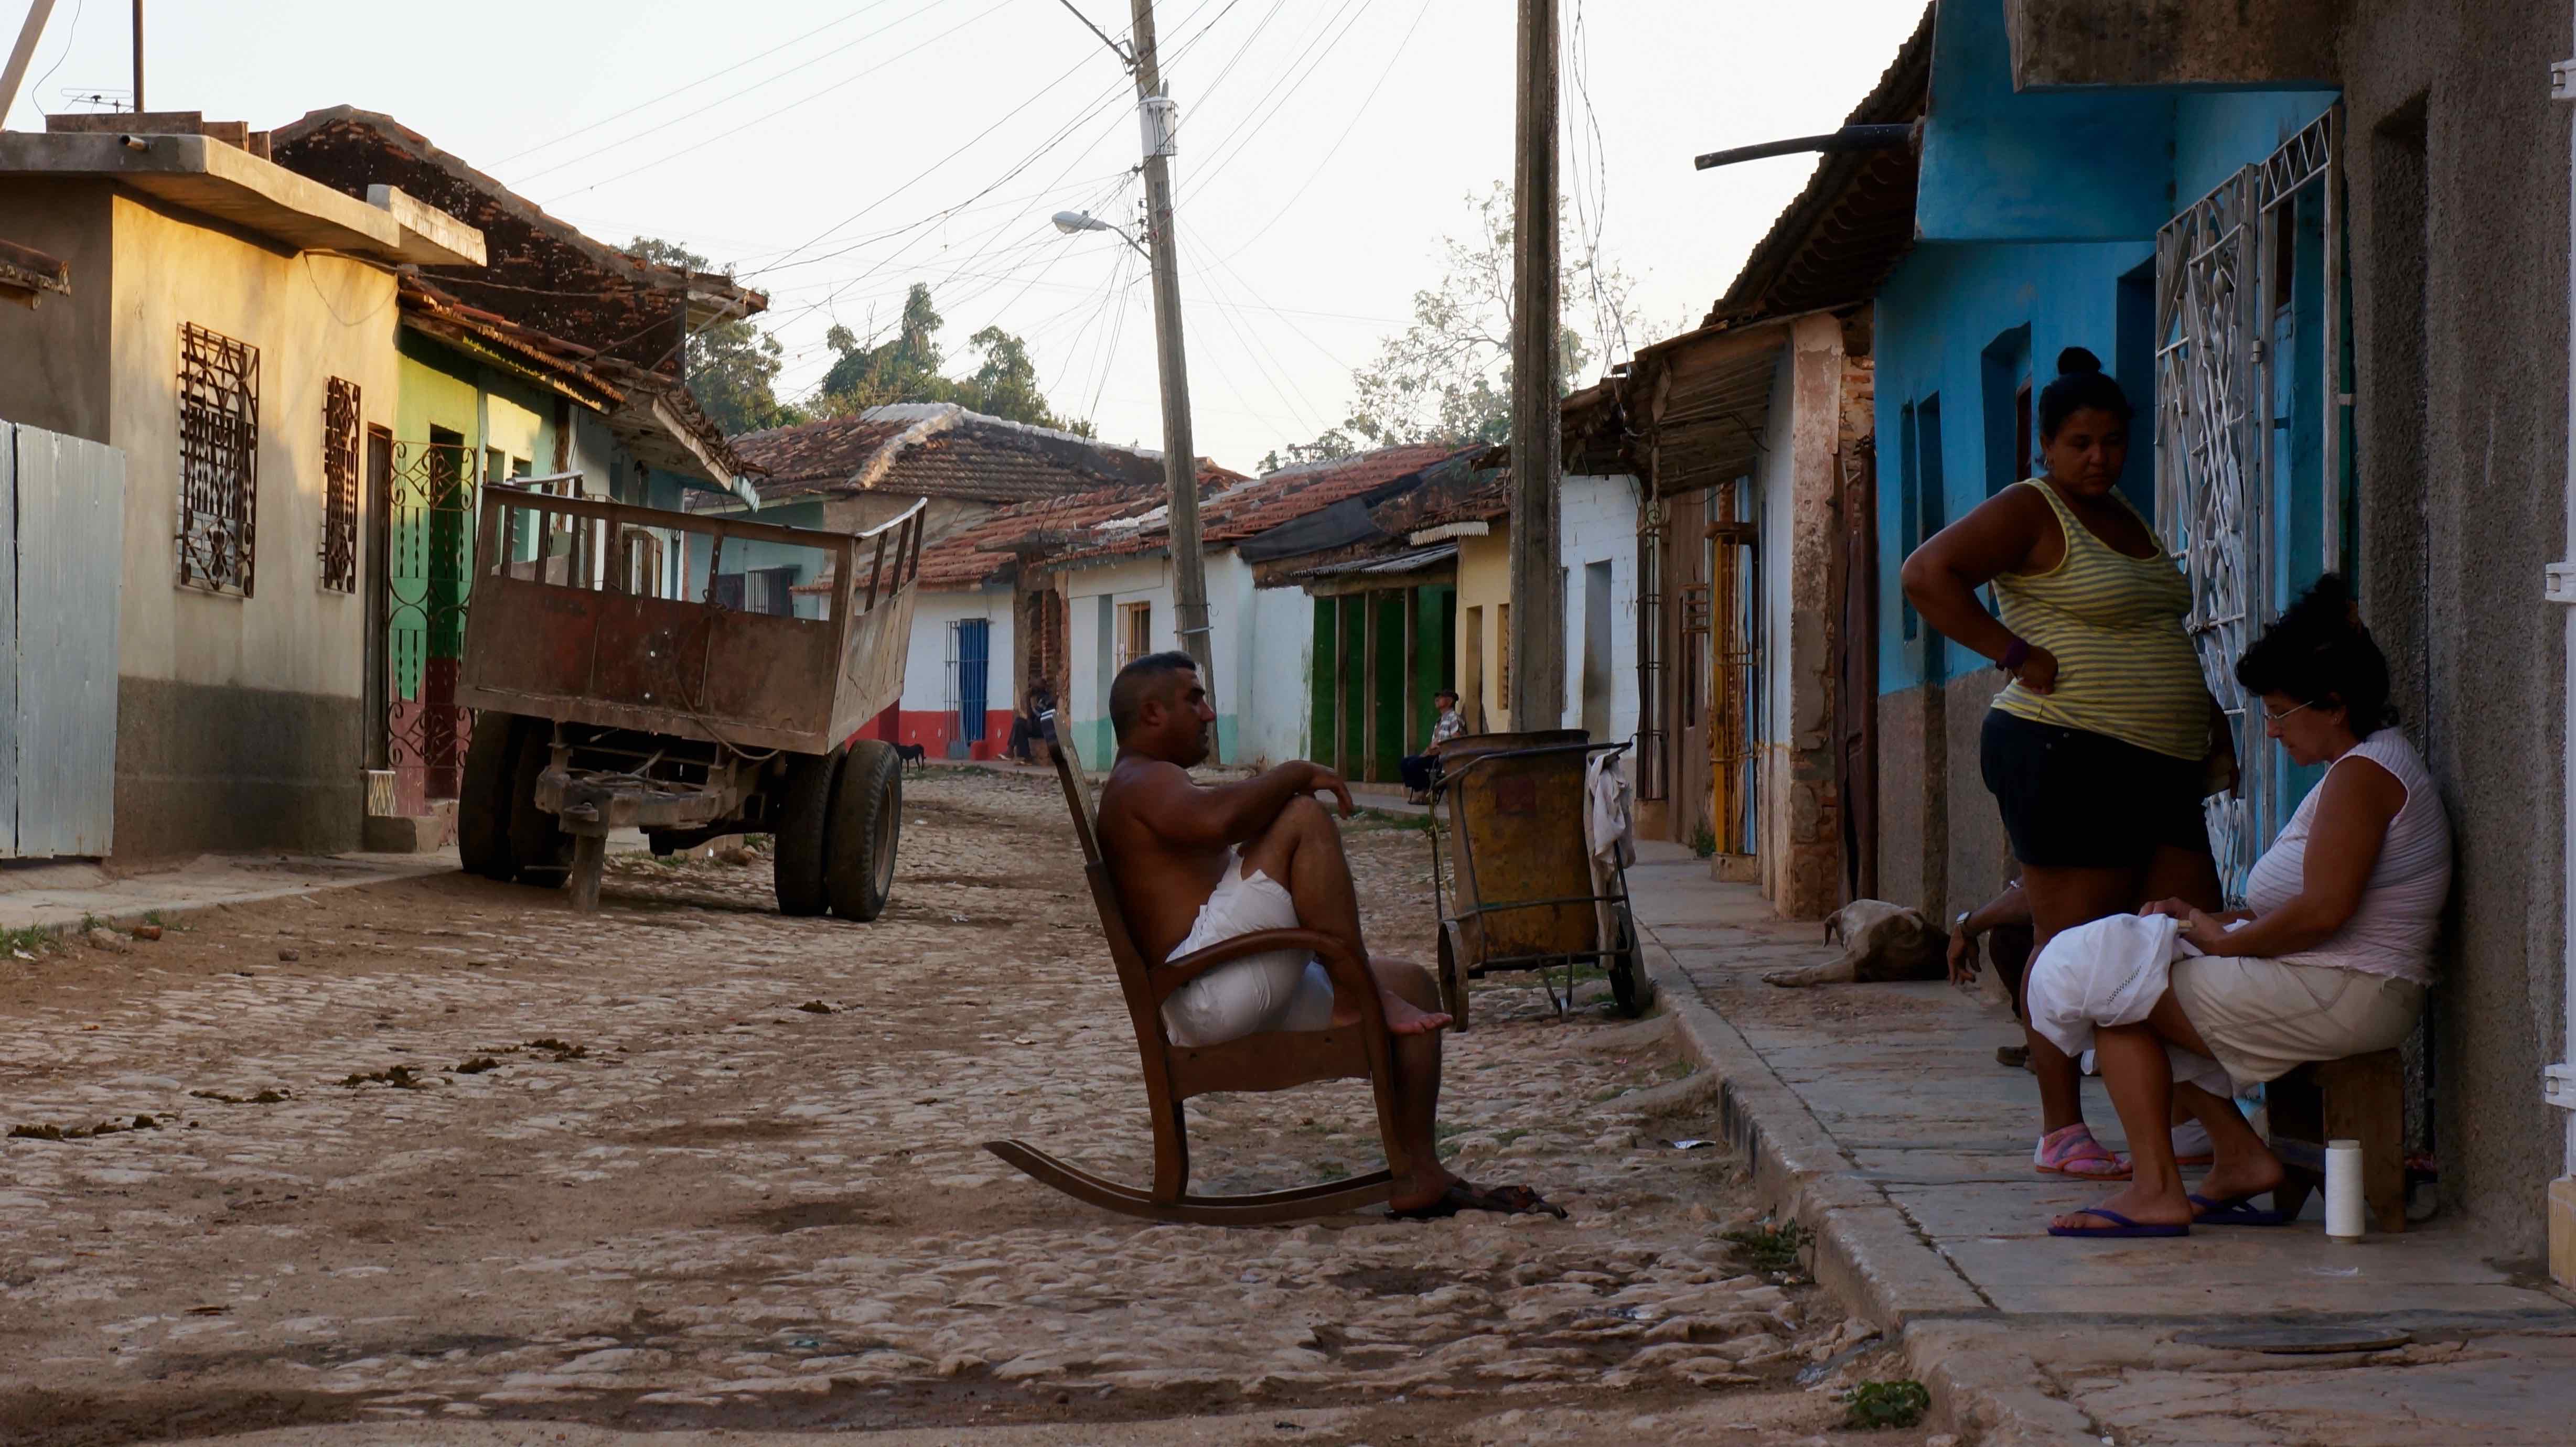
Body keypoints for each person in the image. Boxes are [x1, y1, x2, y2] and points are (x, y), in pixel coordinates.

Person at [1901, 347, 2230, 1183]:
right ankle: (2061, 1128)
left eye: (2113, 440)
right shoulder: (2030, 508)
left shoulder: (2127, 516)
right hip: (2064, 748)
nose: (2098, 456)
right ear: (2045, 447)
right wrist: (2010, 650)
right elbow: (1926, 575)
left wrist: (2207, 732)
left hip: (2160, 762)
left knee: (2181, 933)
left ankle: (2191, 1112)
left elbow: (2160, 634)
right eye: (2080, 442)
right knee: (2075, 946)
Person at [2032, 576, 2449, 1236]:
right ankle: (2237, 1158)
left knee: (2113, 992)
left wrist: (2225, 943)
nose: (2272, 731)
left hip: (2353, 991)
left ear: (2334, 705)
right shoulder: (2359, 769)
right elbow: (2310, 909)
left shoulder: (2365, 778)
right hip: (2333, 980)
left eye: (2280, 714)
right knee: (2126, 975)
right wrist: (2207, 922)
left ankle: (2157, 1190)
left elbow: (2324, 912)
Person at [1093, 652, 1565, 1221]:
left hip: (1225, 979)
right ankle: (1352, 992)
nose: (1209, 713)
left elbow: (1220, 819)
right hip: (1209, 991)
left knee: (1412, 985)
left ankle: (1418, 1171)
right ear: (1151, 714)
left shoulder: (1149, 781)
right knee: (1301, 818)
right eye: (1193, 700)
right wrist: (1294, 773)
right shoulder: (1143, 781)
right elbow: (1218, 821)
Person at [1400, 688, 1468, 803]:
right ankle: (1425, 789)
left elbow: (1457, 741)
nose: (1437, 699)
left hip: (1443, 757)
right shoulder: (1439, 722)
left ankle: (1430, 790)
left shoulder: (1454, 718)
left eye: (1441, 697)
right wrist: (1427, 752)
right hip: (1433, 755)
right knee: (1404, 763)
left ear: (1450, 701)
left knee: (1413, 765)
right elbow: (1433, 743)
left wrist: (1440, 750)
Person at [1007, 683, 1058, 764]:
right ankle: (1023, 756)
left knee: (1019, 722)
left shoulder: (1047, 699)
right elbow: (1032, 718)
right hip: (1042, 727)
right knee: (1020, 725)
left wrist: (1028, 698)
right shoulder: (1041, 699)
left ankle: (1011, 751)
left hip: (1046, 729)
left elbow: (1031, 717)